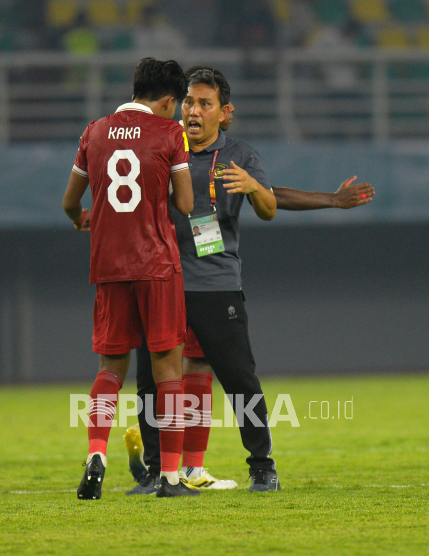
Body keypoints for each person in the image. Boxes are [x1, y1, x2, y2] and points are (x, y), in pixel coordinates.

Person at [125, 67, 375, 494]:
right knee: (151, 381)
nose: (193, 111)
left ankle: (262, 465)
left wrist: (262, 187)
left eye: (205, 104)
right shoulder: (163, 146)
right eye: (188, 102)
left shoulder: (240, 154)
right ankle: (157, 472)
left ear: (225, 113)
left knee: (240, 379)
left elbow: (269, 204)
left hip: (215, 282)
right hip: (163, 282)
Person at [62, 57, 197, 500]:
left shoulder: (95, 130)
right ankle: (173, 478)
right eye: (175, 106)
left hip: (109, 264)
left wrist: (84, 218)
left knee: (110, 369)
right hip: (156, 263)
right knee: (168, 368)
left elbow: (69, 202)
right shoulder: (170, 133)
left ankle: (97, 452)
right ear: (167, 100)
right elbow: (185, 203)